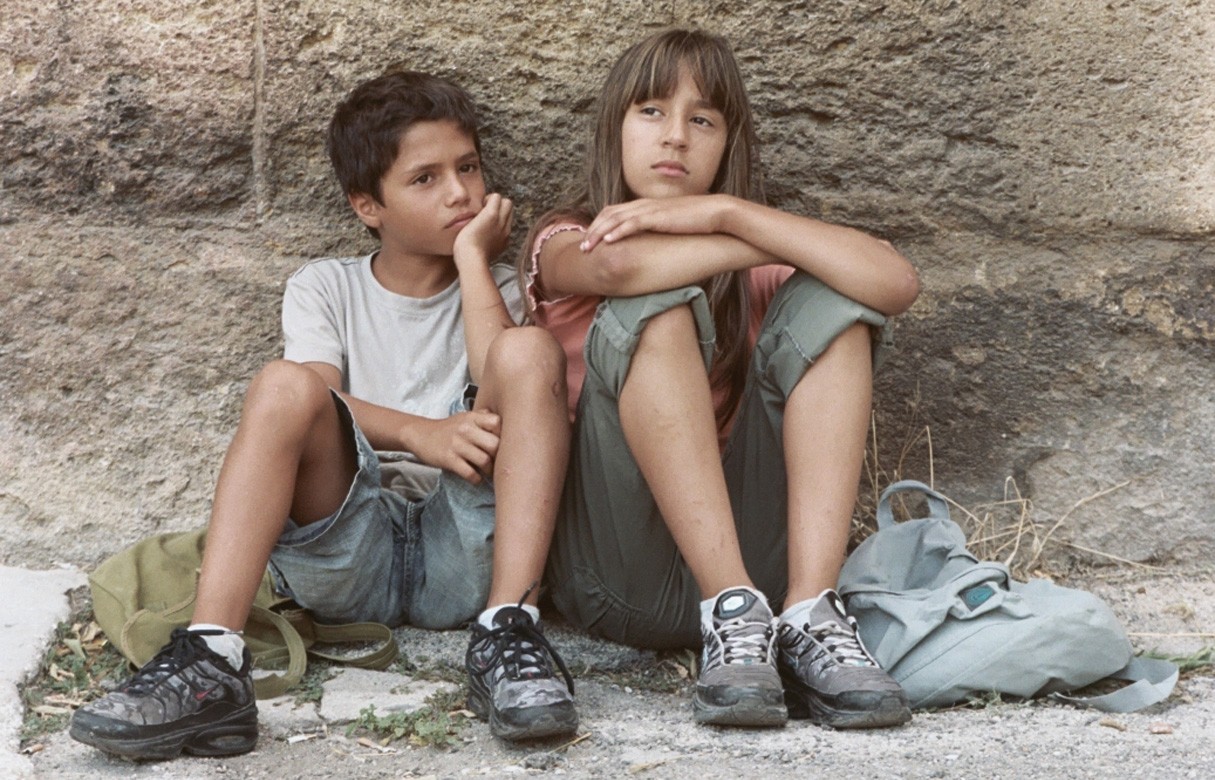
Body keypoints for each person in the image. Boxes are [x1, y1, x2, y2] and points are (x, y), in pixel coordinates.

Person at [70, 70, 577, 759]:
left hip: (462, 548)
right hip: (346, 545)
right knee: (283, 385)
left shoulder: (499, 286)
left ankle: (509, 626)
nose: (460, 191)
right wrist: (420, 433)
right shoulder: (324, 286)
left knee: (528, 352)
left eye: (468, 168)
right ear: (368, 205)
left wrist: (471, 261)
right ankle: (211, 659)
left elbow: (499, 374)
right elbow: (316, 396)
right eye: (424, 179)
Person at [521, 29, 920, 730]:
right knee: (656, 304)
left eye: (701, 119)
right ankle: (726, 602)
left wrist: (727, 211)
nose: (674, 137)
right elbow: (618, 270)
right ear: (612, 129)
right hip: (617, 578)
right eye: (650, 112)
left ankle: (807, 612)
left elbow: (892, 281)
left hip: (760, 574)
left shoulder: (748, 263)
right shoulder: (562, 239)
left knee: (836, 301)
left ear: (726, 143)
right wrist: (755, 232)